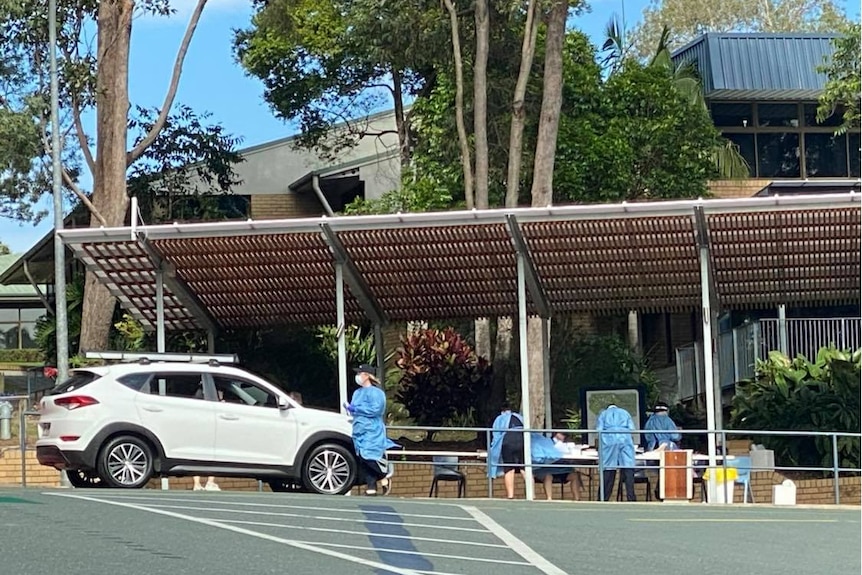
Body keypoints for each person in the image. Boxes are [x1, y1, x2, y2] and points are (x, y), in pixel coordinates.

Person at [487, 403, 561, 500]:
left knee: (509, 469)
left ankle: (510, 495)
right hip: (523, 439)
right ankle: (532, 494)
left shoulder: (500, 418)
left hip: (508, 440)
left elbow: (496, 434)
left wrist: (494, 450)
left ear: (502, 411)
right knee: (525, 467)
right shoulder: (519, 417)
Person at [344, 364, 397, 496]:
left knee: (369, 456)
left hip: (372, 430)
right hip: (359, 429)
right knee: (362, 458)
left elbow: (376, 409)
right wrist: (350, 409)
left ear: (367, 375)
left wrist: (357, 409)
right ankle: (371, 486)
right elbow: (354, 409)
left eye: (360, 373)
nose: (358, 376)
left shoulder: (377, 393)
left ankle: (384, 474)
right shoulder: (357, 393)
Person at [596, 403, 636, 501]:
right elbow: (632, 428)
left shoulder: (603, 414)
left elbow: (599, 429)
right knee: (628, 466)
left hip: (609, 439)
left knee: (608, 467)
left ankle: (603, 498)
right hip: (624, 438)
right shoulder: (625, 412)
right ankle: (631, 498)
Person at [533, 432, 582, 501]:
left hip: (561, 469)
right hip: (546, 469)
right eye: (563, 434)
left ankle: (577, 499)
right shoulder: (546, 443)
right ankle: (549, 499)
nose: (565, 437)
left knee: (574, 475)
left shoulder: (567, 443)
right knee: (548, 476)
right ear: (557, 434)